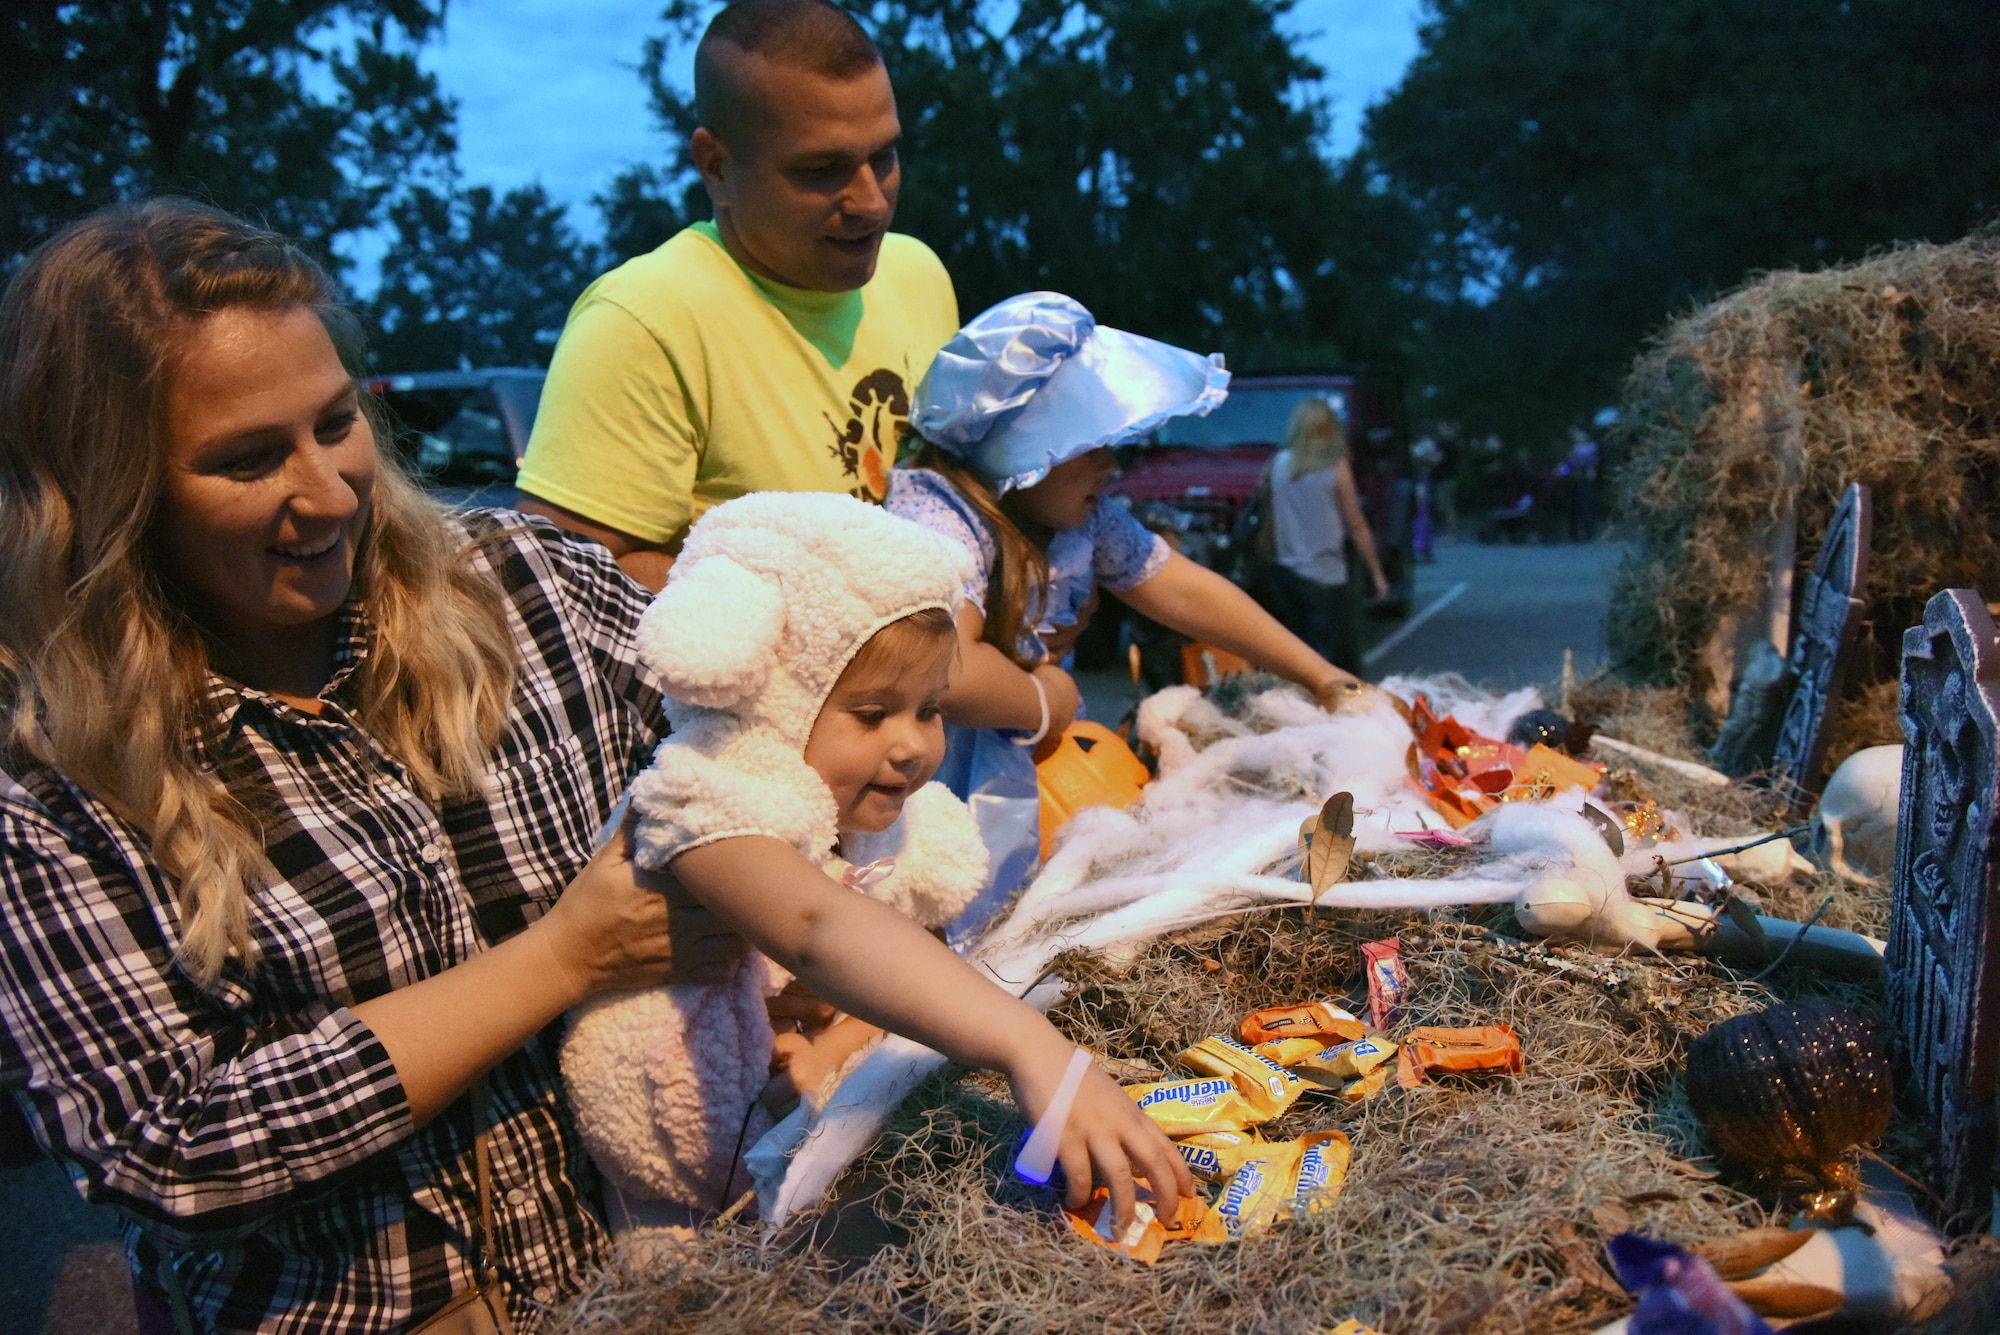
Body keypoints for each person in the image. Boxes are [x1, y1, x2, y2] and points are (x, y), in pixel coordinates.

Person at [0, 199, 741, 1330]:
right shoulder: (51, 778)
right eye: (248, 461)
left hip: (661, 1279)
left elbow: (758, 751)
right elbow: (168, 1152)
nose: (331, 490)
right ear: (111, 501)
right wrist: (560, 960)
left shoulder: (526, 587)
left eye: (336, 421)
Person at [886, 293, 1366, 928]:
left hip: (1042, 777)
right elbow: (944, 669)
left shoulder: (1081, 519)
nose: (1112, 466)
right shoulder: (941, 521)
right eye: (1090, 445)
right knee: (944, 934)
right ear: (1024, 449)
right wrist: (1045, 701)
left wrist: (1322, 676)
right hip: (931, 796)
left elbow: (1182, 588)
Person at [515, 0, 958, 590]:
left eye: (883, 156)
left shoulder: (919, 273)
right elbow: (561, 587)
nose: (871, 202)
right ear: (716, 166)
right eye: (822, 169)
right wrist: (838, 621)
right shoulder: (644, 322)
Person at [1261, 399, 1391, 674]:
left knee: (1296, 655)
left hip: (1287, 574)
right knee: (1333, 657)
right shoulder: (1335, 468)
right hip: (1327, 576)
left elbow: (1270, 523)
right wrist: (1377, 573)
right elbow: (1356, 525)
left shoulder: (1278, 465)